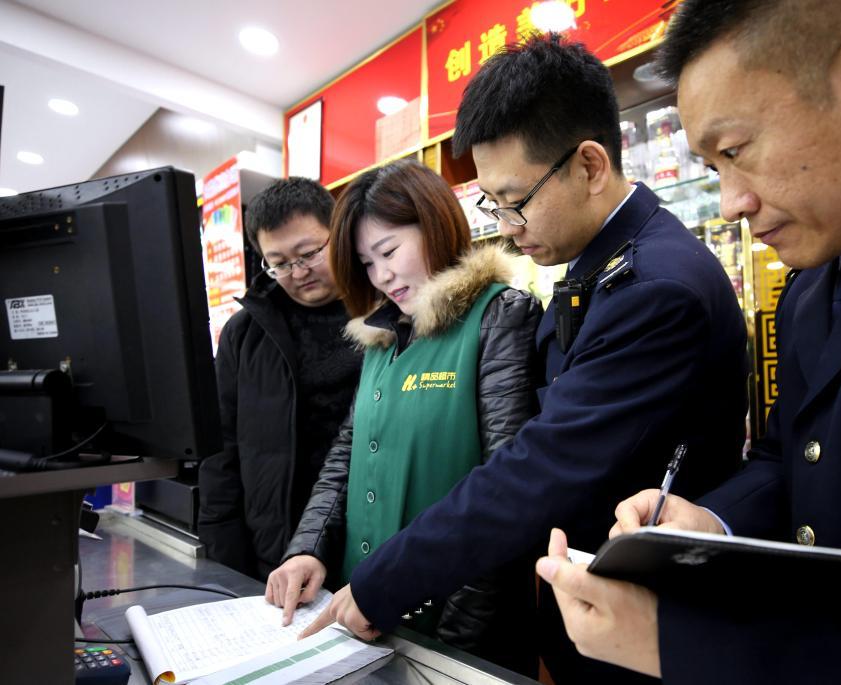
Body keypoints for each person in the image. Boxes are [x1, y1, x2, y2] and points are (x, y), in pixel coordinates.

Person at [535, 1, 841, 682]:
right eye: (713, 169)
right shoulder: (816, 279)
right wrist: (712, 523)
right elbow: (789, 458)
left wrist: (692, 645)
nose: (731, 202)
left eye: (736, 151)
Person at [299, 34, 749, 685]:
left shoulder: (653, 286)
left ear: (589, 166)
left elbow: (538, 466)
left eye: (515, 200)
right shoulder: (599, 268)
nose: (507, 225)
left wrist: (382, 582)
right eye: (493, 204)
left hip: (647, 628)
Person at [265, 160, 543, 674]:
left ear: (435, 226)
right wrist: (307, 549)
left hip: (453, 635)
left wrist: (449, 647)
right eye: (367, 263)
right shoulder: (383, 336)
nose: (382, 276)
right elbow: (346, 456)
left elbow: (507, 494)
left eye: (390, 251)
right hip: (364, 617)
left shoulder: (499, 316)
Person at [198, 177, 362, 581]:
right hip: (276, 551)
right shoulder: (245, 334)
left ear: (338, 232)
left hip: (366, 544)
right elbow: (221, 452)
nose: (299, 272)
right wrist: (227, 562)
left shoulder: (385, 310)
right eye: (280, 263)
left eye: (309, 253)